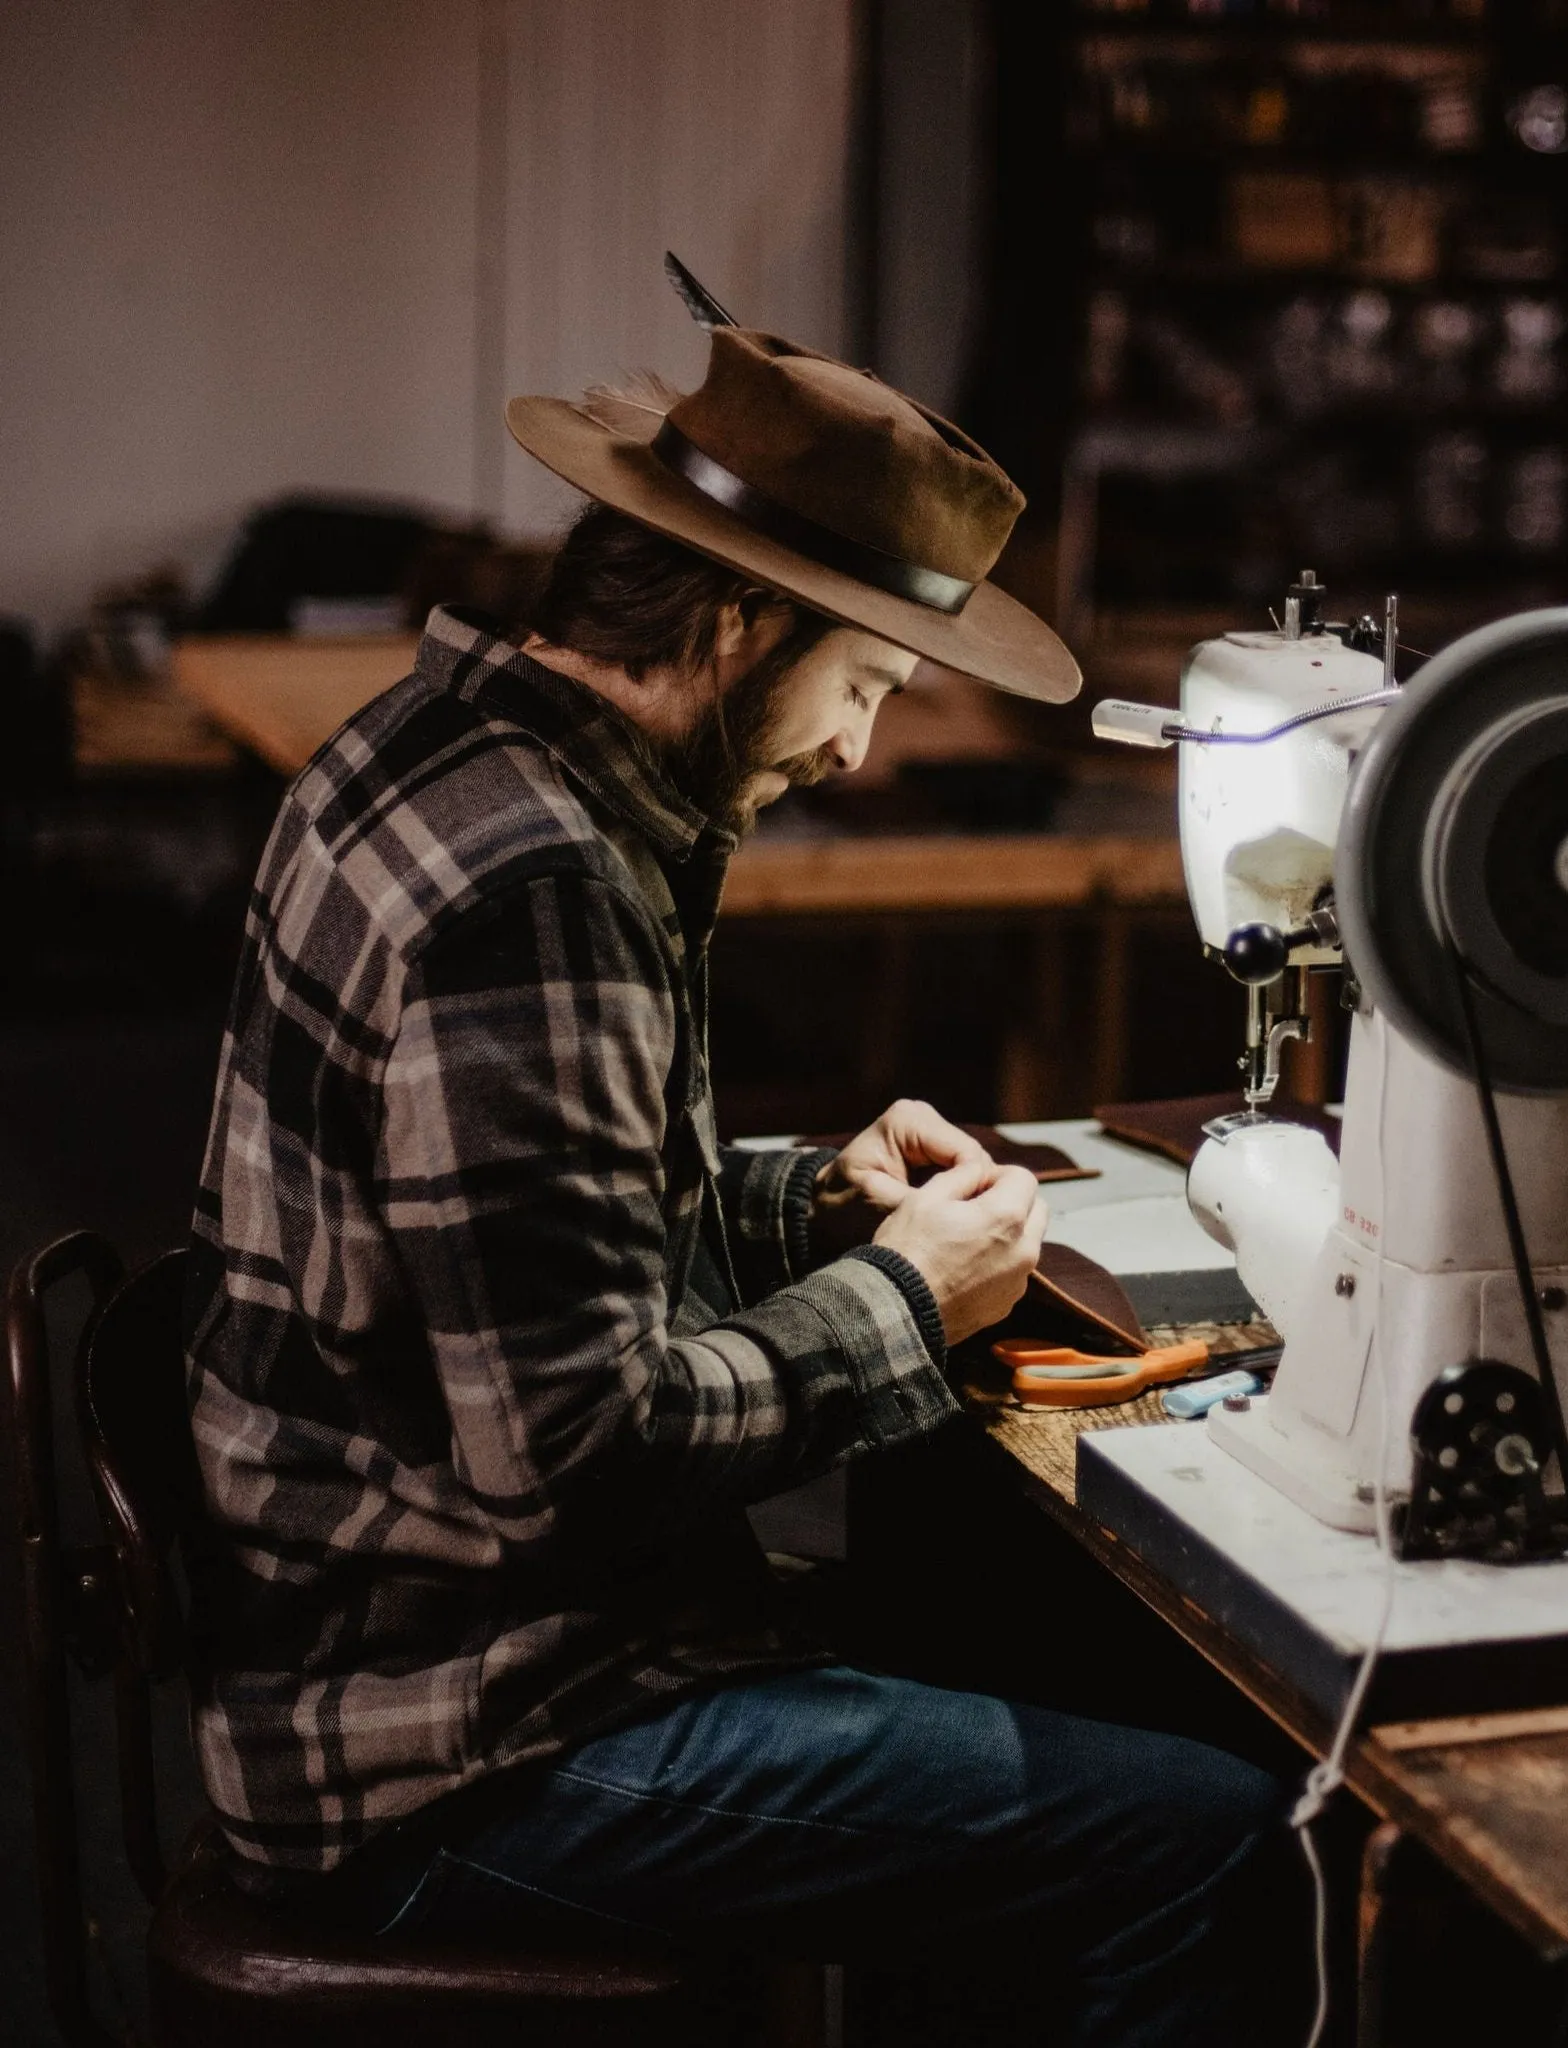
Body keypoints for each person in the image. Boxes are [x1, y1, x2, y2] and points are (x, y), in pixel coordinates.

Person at [184, 313, 1302, 2042]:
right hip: (451, 1742)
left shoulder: (432, 748)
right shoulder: (538, 884)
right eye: (859, 685)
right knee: (1217, 1842)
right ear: (734, 625)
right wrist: (908, 1297)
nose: (856, 750)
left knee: (1042, 1657)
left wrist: (816, 1203)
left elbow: (511, 1228)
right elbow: (580, 1460)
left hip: (405, 1651)